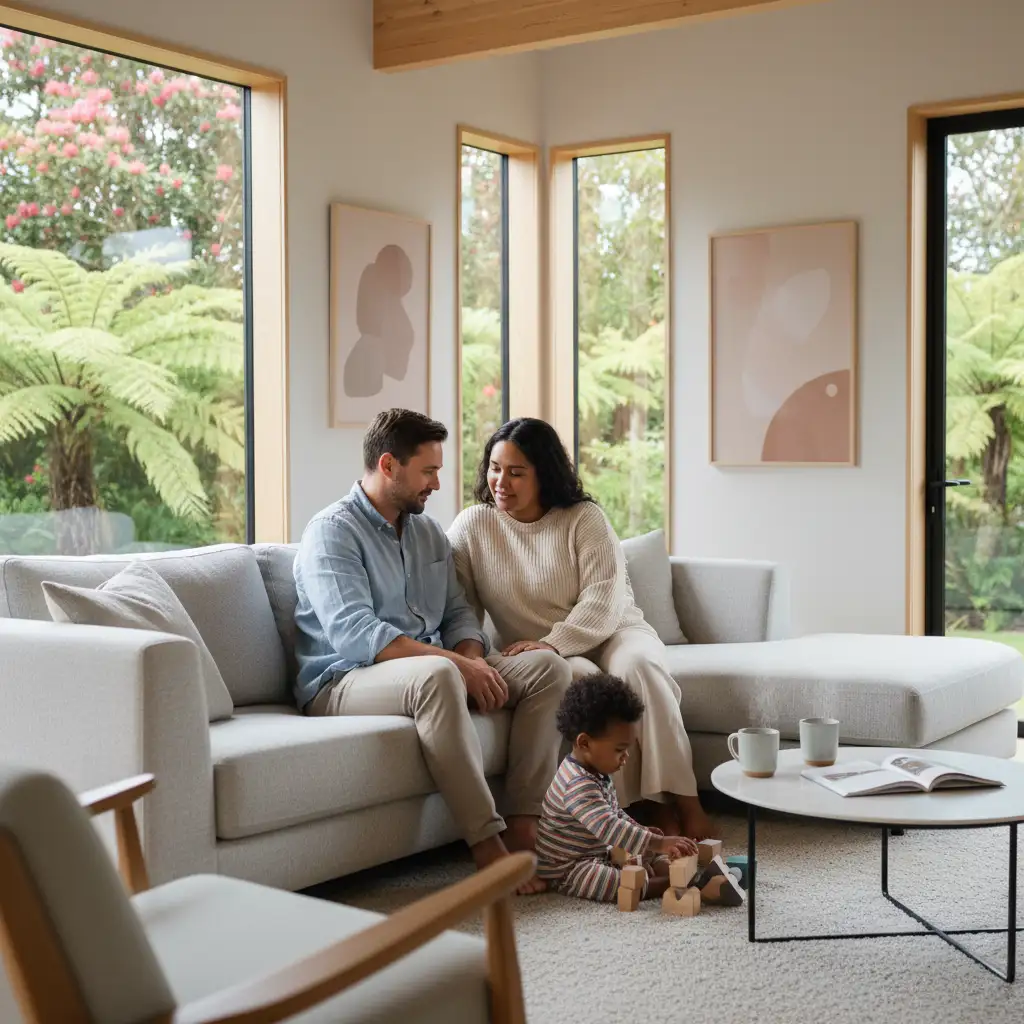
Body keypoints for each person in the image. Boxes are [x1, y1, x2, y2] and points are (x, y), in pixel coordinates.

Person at [292, 408, 571, 893]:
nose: (437, 484)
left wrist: (475, 658)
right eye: (428, 471)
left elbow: (458, 612)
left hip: (428, 670)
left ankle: (526, 823)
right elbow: (356, 634)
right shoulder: (331, 532)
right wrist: (458, 665)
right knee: (439, 676)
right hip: (343, 680)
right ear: (387, 466)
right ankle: (486, 845)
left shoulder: (425, 532)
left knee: (548, 667)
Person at [448, 417, 714, 839]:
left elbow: (604, 601)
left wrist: (552, 643)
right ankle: (637, 812)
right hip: (547, 653)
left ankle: (687, 803)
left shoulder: (583, 518)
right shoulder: (471, 527)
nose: (501, 481)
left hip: (614, 631)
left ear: (544, 474)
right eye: (495, 468)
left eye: (517, 472)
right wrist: (476, 657)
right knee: (584, 687)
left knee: (640, 670)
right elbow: (458, 605)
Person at [536, 673, 696, 902]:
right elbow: (609, 826)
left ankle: (668, 870)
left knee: (643, 851)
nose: (626, 757)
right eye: (619, 750)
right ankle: (666, 884)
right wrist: (658, 843)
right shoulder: (576, 785)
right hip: (568, 868)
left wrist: (641, 830)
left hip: (597, 850)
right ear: (584, 743)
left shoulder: (597, 771)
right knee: (611, 880)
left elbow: (614, 813)